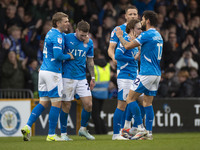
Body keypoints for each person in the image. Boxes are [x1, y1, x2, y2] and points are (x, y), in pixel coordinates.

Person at [21, 12, 74, 142]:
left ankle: (27, 126)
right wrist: (69, 56)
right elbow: (58, 55)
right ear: (57, 23)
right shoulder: (57, 37)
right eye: (65, 21)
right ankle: (51, 134)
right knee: (56, 103)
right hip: (53, 73)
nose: (68, 23)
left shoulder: (51, 33)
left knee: (43, 102)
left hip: (43, 71)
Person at [116, 10, 163, 140]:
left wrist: (120, 36)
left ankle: (140, 128)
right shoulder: (158, 35)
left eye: (142, 19)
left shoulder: (146, 34)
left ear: (147, 21)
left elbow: (127, 46)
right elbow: (146, 51)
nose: (141, 21)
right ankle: (149, 133)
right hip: (156, 74)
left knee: (130, 99)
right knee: (147, 103)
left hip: (146, 73)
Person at [107, 5, 144, 139]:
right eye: (131, 14)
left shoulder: (138, 32)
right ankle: (121, 132)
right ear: (125, 16)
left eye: (135, 14)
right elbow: (114, 50)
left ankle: (129, 128)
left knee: (139, 100)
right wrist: (115, 59)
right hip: (124, 73)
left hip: (135, 73)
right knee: (123, 103)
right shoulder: (119, 31)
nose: (133, 16)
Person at [60, 20, 95, 140]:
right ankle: (64, 134)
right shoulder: (66, 38)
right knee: (66, 105)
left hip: (81, 77)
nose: (84, 37)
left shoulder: (89, 43)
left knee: (89, 104)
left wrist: (93, 77)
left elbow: (90, 61)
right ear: (76, 31)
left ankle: (83, 129)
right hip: (67, 77)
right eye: (82, 35)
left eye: (86, 35)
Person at [91, 48, 110, 135]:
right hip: (104, 92)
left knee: (95, 114)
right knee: (98, 113)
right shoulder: (107, 65)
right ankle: (104, 130)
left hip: (95, 92)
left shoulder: (92, 65)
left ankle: (99, 131)